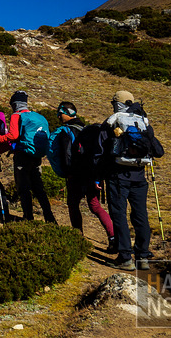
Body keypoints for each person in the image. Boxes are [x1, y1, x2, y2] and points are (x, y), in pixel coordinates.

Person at [95, 90, 164, 271]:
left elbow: (100, 152)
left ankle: (125, 257)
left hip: (117, 177)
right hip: (140, 176)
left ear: (116, 104)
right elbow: (158, 151)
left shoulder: (113, 122)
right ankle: (142, 256)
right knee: (140, 215)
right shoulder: (142, 122)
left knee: (119, 215)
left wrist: (98, 176)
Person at [55, 101, 114, 248]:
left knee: (73, 205)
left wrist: (67, 172)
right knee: (95, 206)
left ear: (66, 113)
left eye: (60, 114)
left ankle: (77, 237)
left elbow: (67, 154)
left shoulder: (66, 131)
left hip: (75, 175)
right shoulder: (87, 129)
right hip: (92, 174)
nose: (58, 117)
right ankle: (113, 237)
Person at [0, 90, 56, 223]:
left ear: (15, 104)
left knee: (23, 188)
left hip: (23, 155)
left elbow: (13, 136)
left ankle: (28, 217)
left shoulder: (16, 116)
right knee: (38, 188)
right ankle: (50, 218)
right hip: (36, 156)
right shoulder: (38, 117)